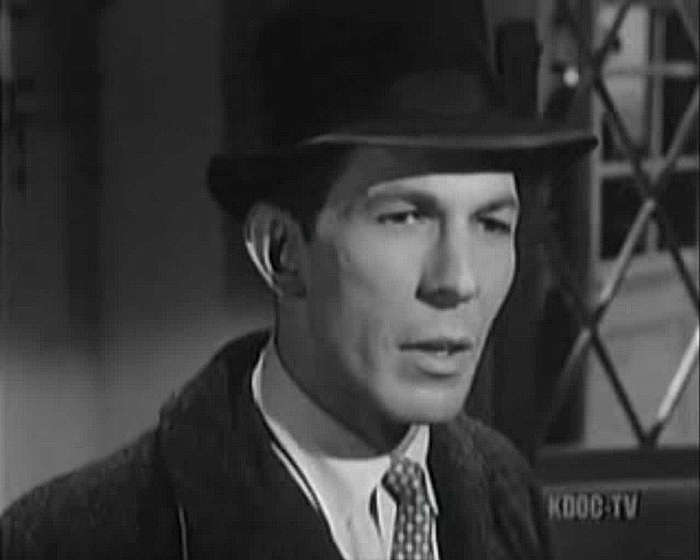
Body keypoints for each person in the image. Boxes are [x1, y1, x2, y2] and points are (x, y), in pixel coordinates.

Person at [0, 1, 596, 558]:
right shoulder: (78, 537)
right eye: (405, 218)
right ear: (282, 252)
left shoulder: (503, 489)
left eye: (492, 224)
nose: (459, 280)